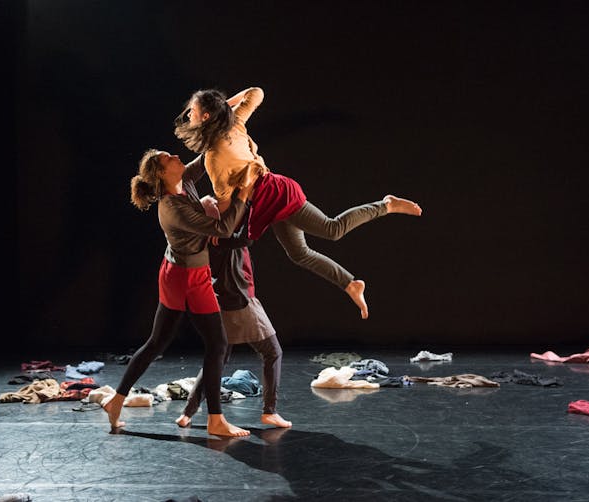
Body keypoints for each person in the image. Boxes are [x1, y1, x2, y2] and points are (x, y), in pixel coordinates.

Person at [174, 86, 422, 319]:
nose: (189, 116)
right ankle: (350, 284)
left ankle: (386, 205)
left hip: (276, 196)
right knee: (299, 254)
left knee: (332, 229)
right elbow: (256, 93)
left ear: (206, 117)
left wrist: (215, 230)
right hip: (268, 201)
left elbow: (225, 204)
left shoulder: (214, 158)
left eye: (193, 112)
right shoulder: (234, 124)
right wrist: (222, 109)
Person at [102, 149, 255, 437]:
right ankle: (215, 419)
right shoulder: (172, 207)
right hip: (185, 278)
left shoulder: (184, 181)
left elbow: (207, 157)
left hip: (185, 271)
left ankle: (116, 401)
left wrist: (223, 130)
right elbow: (222, 228)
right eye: (167, 158)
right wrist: (243, 195)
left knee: (159, 343)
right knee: (216, 344)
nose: (175, 155)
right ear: (162, 173)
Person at [175, 201, 292, 429]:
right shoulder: (221, 237)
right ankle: (270, 411)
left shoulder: (202, 238)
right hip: (240, 302)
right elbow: (247, 237)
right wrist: (250, 202)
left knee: (217, 358)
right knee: (272, 352)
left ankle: (187, 413)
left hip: (220, 302)